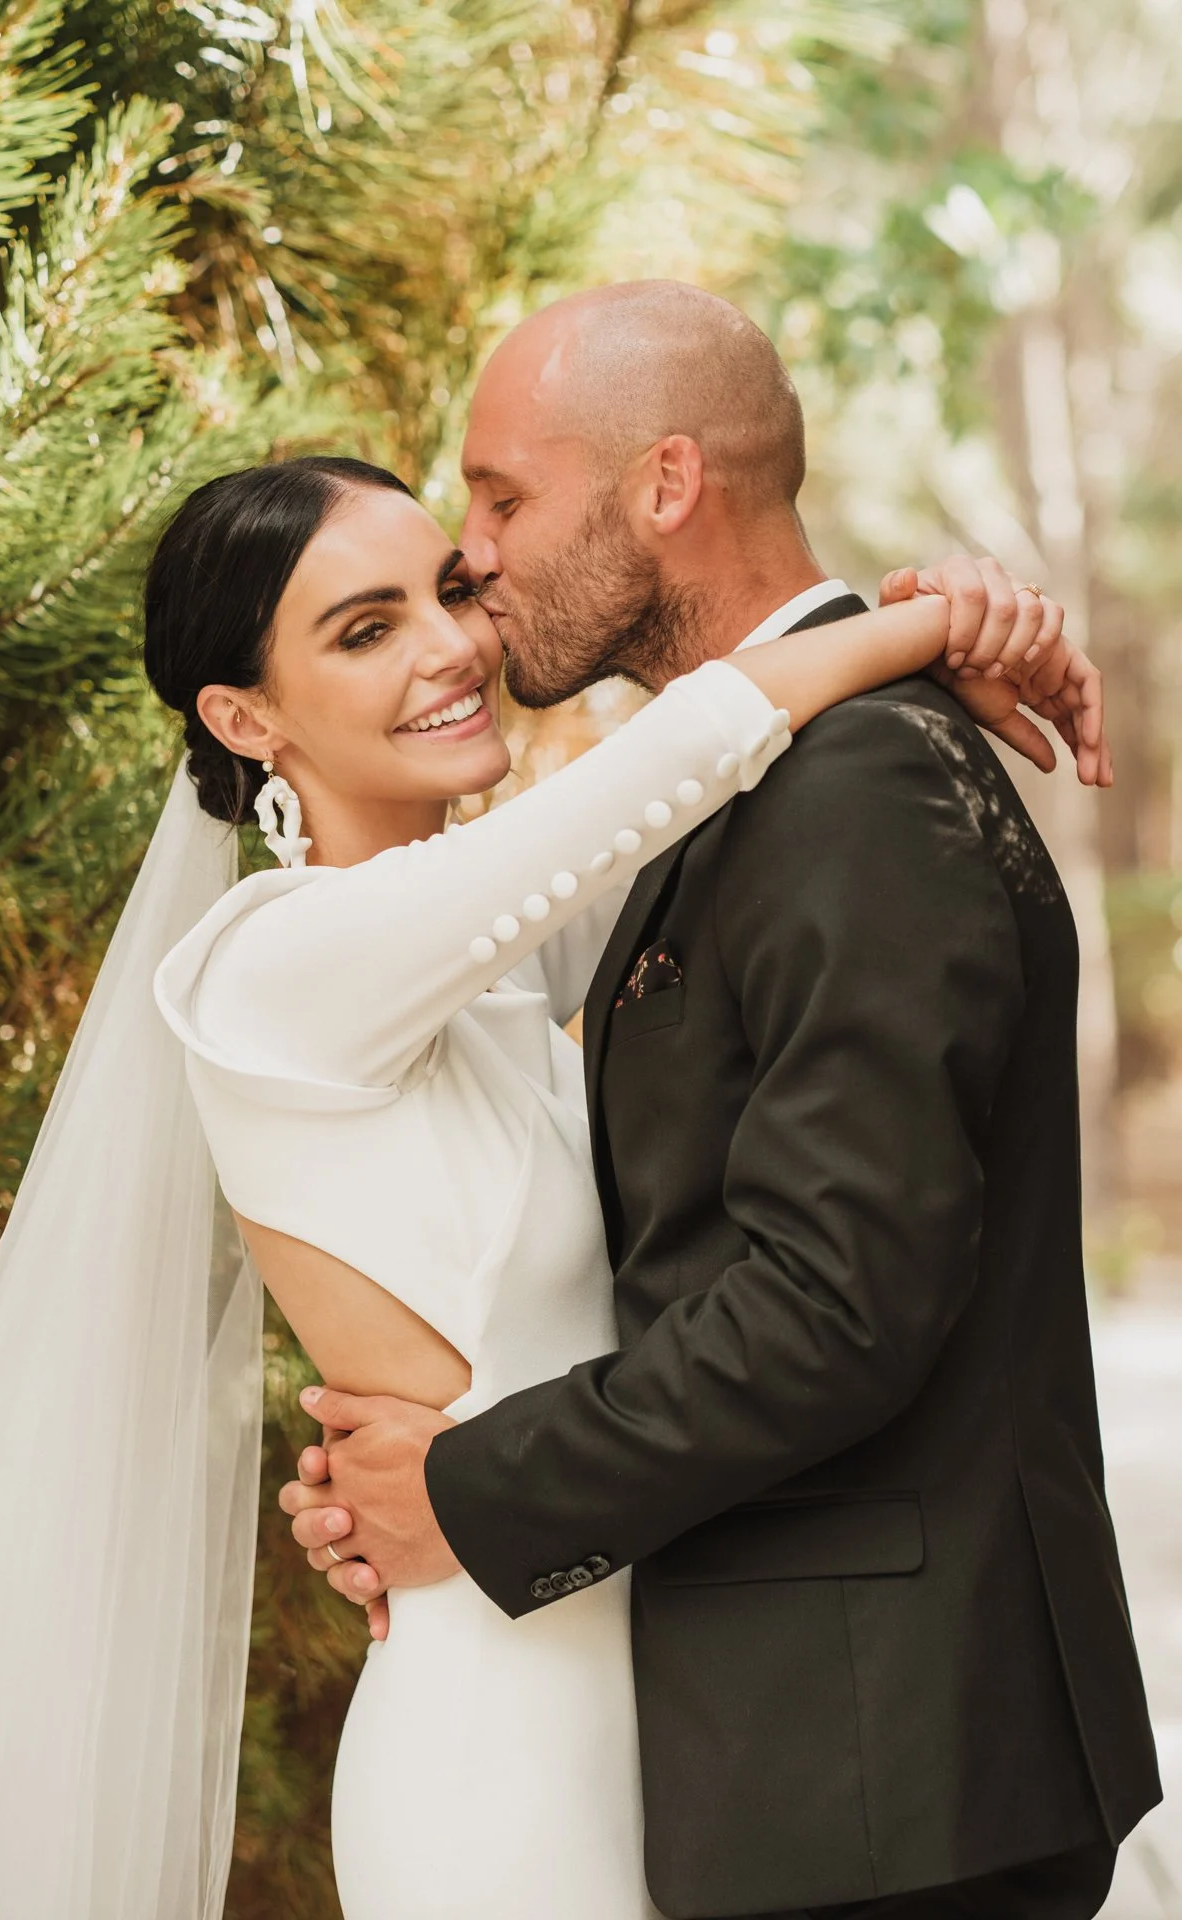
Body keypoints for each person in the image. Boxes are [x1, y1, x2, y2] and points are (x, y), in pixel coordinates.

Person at [282, 284, 1161, 1920]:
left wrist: (464, 1493)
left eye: (503, 496)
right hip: (820, 1751)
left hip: (890, 1762)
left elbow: (840, 1300)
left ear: (666, 484)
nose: (472, 555)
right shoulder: (754, 785)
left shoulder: (862, 784)